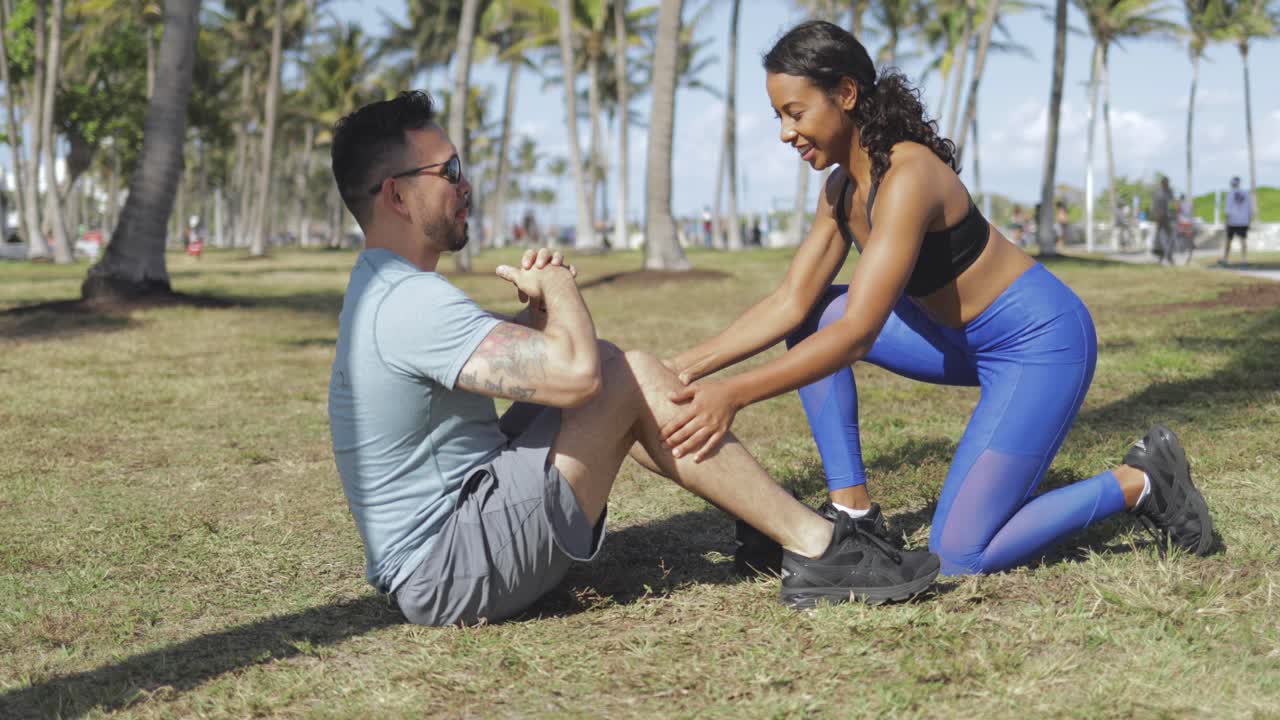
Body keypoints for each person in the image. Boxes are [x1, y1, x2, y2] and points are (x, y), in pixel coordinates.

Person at [326, 91, 941, 626]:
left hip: (451, 544)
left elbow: (491, 366)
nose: (465, 184)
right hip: (449, 568)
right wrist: (561, 285)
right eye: (449, 169)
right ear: (398, 196)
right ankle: (819, 547)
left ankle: (780, 529)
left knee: (625, 373)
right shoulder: (408, 302)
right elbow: (575, 376)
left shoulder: (389, 289)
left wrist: (534, 319)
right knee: (617, 372)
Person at [661, 22, 1214, 578]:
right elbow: (789, 301)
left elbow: (857, 332)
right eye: (780, 116)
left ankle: (1141, 482)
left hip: (1038, 345)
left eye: (795, 112)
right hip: (951, 339)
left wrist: (731, 394)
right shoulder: (841, 191)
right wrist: (681, 369)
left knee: (957, 557)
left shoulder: (909, 175)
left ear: (846, 95)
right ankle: (854, 514)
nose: (786, 132)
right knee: (812, 313)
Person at [1222, 176, 1251, 267]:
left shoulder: (1230, 194)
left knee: (1229, 240)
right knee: (1243, 239)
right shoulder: (1246, 193)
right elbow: (1249, 208)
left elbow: (1228, 209)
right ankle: (1244, 259)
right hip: (1243, 220)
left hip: (1232, 220)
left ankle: (1225, 258)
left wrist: (1226, 221)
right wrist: (1248, 220)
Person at [1151, 176, 1174, 264]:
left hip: (1167, 216)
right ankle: (1161, 255)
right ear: (1162, 183)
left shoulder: (1170, 191)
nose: (1166, 184)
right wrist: (1156, 214)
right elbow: (1154, 204)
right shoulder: (1157, 192)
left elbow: (1172, 203)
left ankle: (1169, 255)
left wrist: (1174, 213)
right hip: (1159, 216)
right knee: (1159, 236)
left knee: (1170, 235)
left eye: (1167, 183)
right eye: (1165, 183)